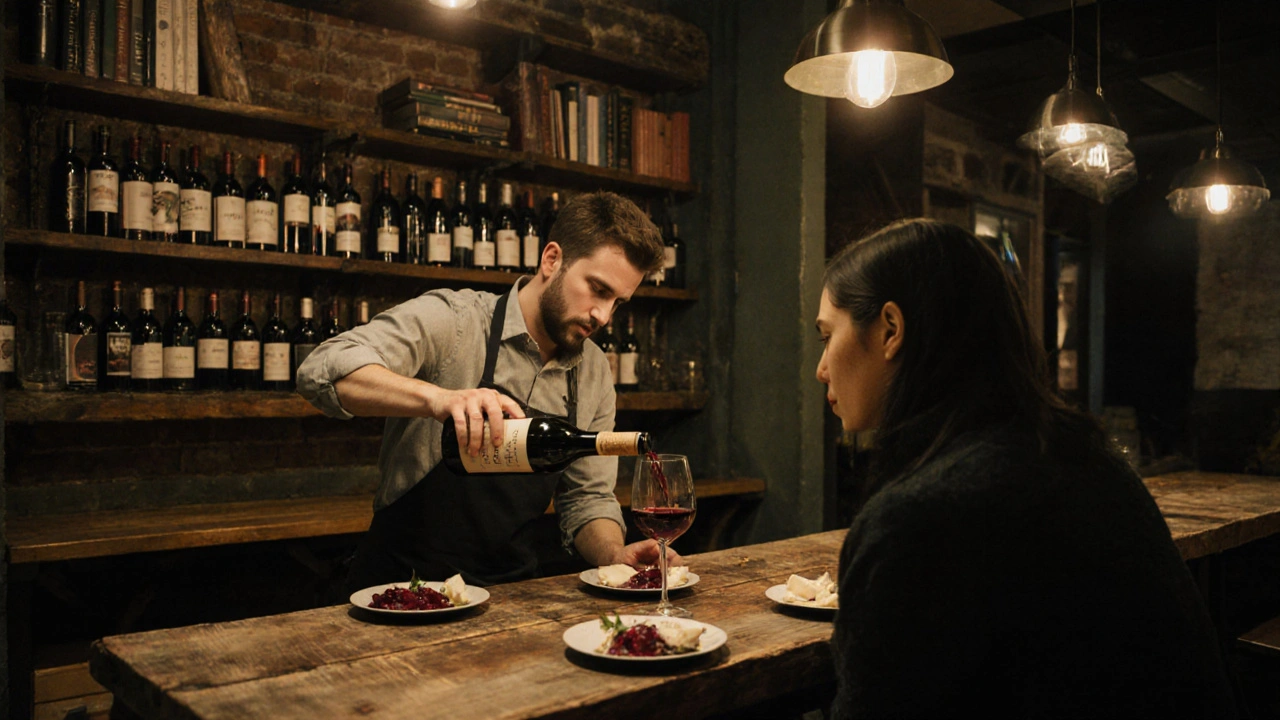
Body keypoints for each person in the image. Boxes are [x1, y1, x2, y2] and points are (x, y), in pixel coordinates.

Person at [815, 219, 1237, 718]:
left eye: (827, 334)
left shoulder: (919, 518)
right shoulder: (1085, 458)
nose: (821, 366)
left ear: (890, 330)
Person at [297, 191, 679, 590]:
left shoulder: (594, 370)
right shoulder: (457, 321)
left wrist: (614, 557)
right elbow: (322, 370)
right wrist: (438, 399)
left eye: (618, 302)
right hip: (402, 589)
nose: (604, 315)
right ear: (552, 259)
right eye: (598, 289)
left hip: (510, 595)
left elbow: (587, 498)